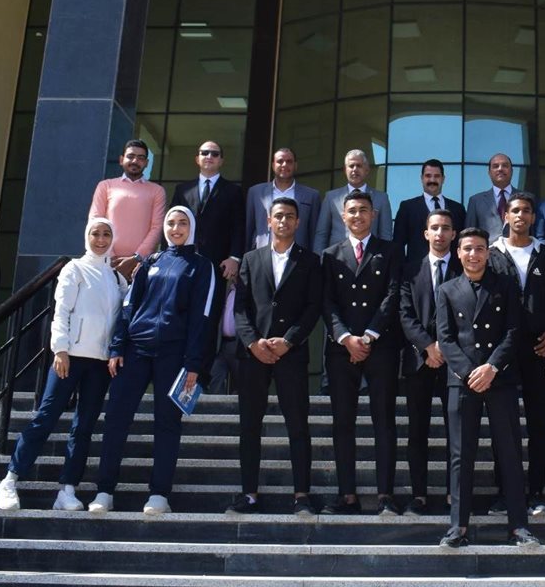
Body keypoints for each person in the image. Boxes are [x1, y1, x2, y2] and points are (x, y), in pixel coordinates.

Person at [89, 206, 215, 515]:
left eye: (182, 223)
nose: (176, 228)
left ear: (192, 228)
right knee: (116, 418)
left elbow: (203, 317)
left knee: (167, 423)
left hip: (174, 355)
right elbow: (129, 305)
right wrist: (118, 347)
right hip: (136, 351)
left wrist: (194, 363)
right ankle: (104, 490)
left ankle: (159, 494)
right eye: (171, 223)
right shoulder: (152, 261)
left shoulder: (202, 266)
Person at [0, 218, 127, 511]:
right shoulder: (74, 268)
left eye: (107, 234)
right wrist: (61, 349)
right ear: (87, 236)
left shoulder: (117, 278)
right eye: (96, 234)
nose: (101, 240)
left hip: (100, 364)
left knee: (84, 427)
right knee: (46, 416)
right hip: (70, 357)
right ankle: (10, 479)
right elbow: (62, 311)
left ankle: (67, 489)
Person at [435, 227, 538, 548]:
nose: (473, 255)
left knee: (509, 453)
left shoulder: (505, 285)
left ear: (487, 253)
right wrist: (470, 373)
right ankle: (457, 527)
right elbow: (445, 338)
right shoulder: (447, 290)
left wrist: (491, 368)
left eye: (480, 248)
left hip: (499, 378)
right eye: (467, 249)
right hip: (462, 381)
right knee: (460, 455)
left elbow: (513, 331)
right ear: (458, 253)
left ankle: (519, 526)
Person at [228, 197, 323, 516]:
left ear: (298, 222)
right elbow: (240, 308)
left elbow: (313, 307)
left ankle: (302, 495)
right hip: (253, 355)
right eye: (278, 216)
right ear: (268, 221)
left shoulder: (310, 261)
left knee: (298, 425)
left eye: (290, 216)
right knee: (249, 425)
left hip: (291, 354)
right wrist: (253, 342)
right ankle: (249, 493)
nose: (284, 221)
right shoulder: (250, 259)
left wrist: (289, 341)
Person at [319, 191, 403, 515]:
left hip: (380, 347)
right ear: (343, 216)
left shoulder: (390, 251)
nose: (357, 215)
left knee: (384, 421)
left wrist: (368, 336)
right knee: (343, 423)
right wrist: (345, 338)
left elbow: (393, 295)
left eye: (363, 210)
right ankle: (347, 496)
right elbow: (326, 301)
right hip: (341, 350)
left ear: (374, 214)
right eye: (351, 211)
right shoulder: (330, 255)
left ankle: (385, 496)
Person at [487, 191, 545, 516]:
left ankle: (536, 492)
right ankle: (505, 493)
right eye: (515, 210)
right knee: (503, 425)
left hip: (538, 349)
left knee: (538, 424)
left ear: (533, 217)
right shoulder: (491, 254)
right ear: (505, 215)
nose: (520, 215)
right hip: (502, 350)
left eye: (526, 210)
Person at [398, 209, 462, 516]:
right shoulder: (410, 269)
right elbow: (405, 314)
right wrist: (427, 346)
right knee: (417, 431)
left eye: (445, 228)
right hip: (418, 361)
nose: (439, 233)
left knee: (456, 432)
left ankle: (454, 494)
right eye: (434, 228)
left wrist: (445, 349)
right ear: (425, 234)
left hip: (456, 363)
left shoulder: (464, 268)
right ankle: (419, 495)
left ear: (453, 234)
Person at [171, 140, 245, 391]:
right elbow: (171, 225)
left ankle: (201, 379)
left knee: (209, 321)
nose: (209, 157)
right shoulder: (183, 190)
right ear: (197, 158)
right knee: (181, 317)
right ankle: (177, 376)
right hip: (184, 265)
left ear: (221, 160)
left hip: (217, 268)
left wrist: (235, 257)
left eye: (215, 153)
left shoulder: (233, 192)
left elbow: (238, 227)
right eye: (205, 153)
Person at [88, 139, 167, 280]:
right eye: (130, 156)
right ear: (121, 160)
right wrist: (110, 257)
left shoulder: (157, 191)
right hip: (106, 262)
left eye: (141, 158)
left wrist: (136, 258)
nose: (135, 161)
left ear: (146, 163)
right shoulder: (105, 186)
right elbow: (95, 221)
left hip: (140, 267)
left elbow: (157, 227)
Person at [314, 149, 393, 252]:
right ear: (345, 170)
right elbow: (322, 234)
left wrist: (386, 258)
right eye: (351, 166)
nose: (354, 169)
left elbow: (386, 235)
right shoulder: (331, 198)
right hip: (337, 257)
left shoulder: (381, 198)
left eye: (359, 166)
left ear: (367, 170)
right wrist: (320, 258)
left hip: (370, 256)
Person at [246, 147, 322, 252]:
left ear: (295, 165)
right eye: (280, 161)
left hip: (298, 256)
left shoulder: (312, 195)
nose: (284, 165)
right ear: (273, 165)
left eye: (289, 161)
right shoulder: (255, 192)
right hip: (262, 254)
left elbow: (314, 233)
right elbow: (248, 228)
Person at [393, 159, 466, 262]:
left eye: (437, 176)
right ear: (422, 178)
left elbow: (463, 242)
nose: (432, 180)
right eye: (428, 176)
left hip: (452, 268)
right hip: (417, 269)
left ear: (443, 179)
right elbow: (398, 244)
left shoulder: (458, 209)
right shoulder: (407, 208)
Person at [464, 153, 513, 240]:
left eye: (505, 166)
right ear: (489, 173)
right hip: (488, 248)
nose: (500, 169)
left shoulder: (526, 198)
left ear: (512, 171)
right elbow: (469, 235)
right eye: (495, 166)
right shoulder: (476, 201)